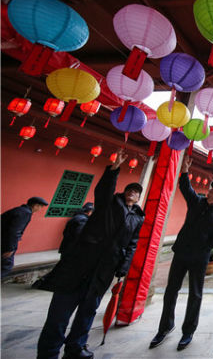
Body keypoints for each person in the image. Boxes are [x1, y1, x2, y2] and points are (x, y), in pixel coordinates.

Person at [37, 149, 144, 359]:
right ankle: (48, 352)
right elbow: (104, 190)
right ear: (123, 192)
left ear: (139, 197)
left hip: (104, 270)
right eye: (130, 189)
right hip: (81, 265)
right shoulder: (109, 204)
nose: (133, 192)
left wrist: (122, 267)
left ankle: (76, 347)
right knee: (59, 313)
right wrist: (114, 169)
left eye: (136, 191)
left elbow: (132, 244)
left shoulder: (138, 217)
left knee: (87, 312)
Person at [150, 156, 213, 351]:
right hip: (181, 252)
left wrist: (205, 246)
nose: (212, 190)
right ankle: (165, 327)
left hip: (200, 256)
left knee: (195, 293)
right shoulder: (197, 202)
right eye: (212, 187)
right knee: (171, 290)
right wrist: (185, 171)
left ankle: (188, 331)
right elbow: (186, 188)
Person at [1, 196, 49, 277]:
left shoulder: (19, 210)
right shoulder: (25, 213)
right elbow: (14, 232)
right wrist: (10, 248)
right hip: (5, 241)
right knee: (6, 266)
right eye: (40, 206)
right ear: (36, 205)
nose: (40, 209)